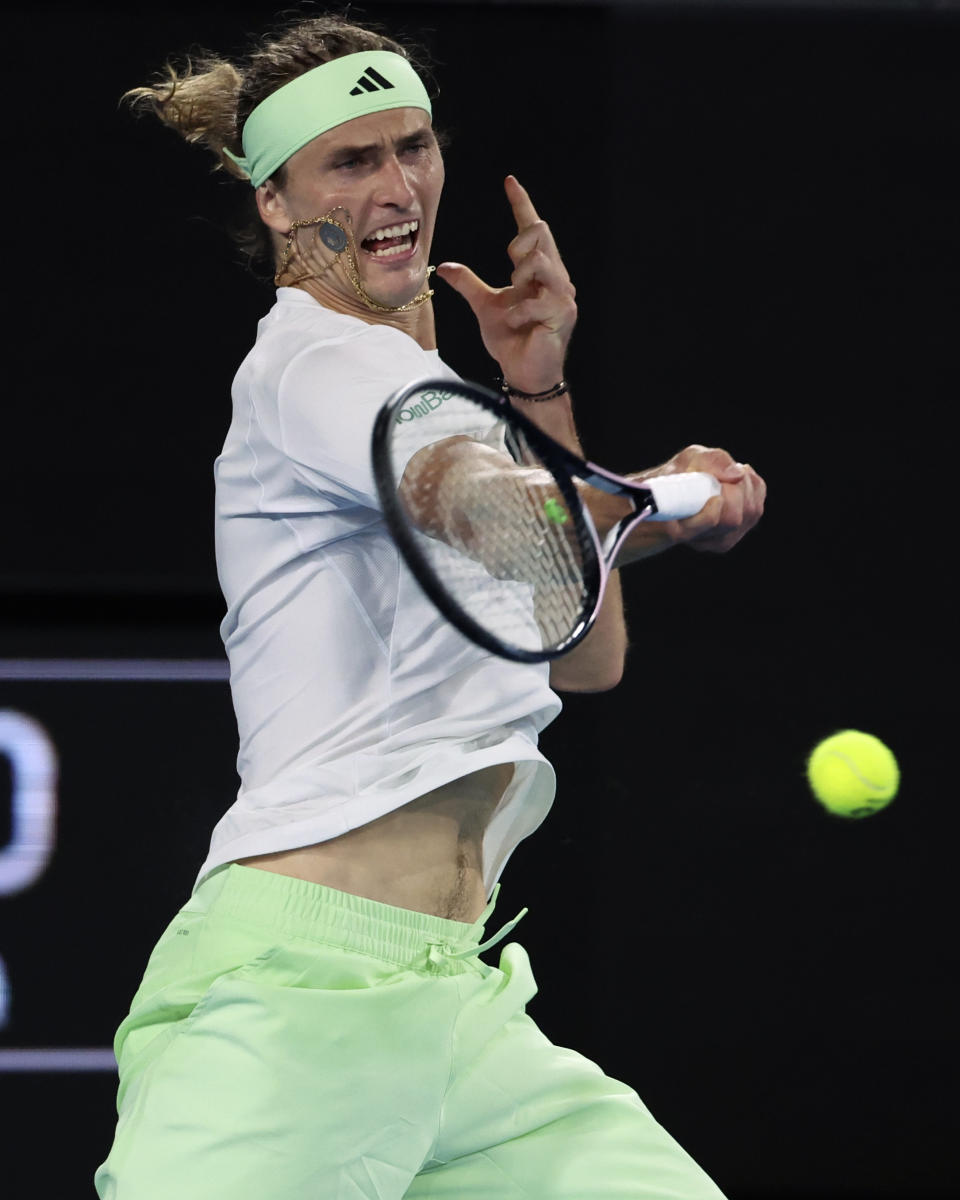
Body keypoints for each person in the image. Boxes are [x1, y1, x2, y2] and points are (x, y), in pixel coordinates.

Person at [96, 12, 765, 1199]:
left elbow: (581, 649)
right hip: (301, 994)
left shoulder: (436, 389)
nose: (399, 183)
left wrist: (536, 382)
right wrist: (668, 499)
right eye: (352, 162)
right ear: (276, 203)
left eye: (414, 145)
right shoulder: (314, 367)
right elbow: (479, 505)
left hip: (454, 1004)